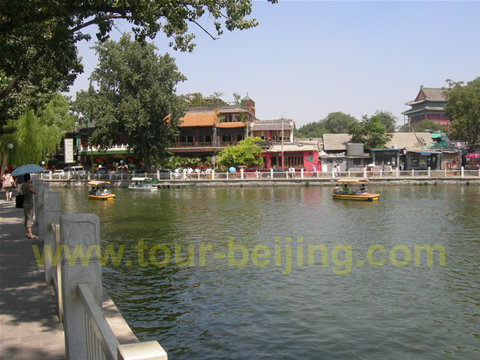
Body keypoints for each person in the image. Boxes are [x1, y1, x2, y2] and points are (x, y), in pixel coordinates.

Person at [21, 173, 38, 239]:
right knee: (29, 218)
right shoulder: (28, 186)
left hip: (25, 203)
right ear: (29, 179)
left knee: (26, 218)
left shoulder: (23, 186)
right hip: (29, 204)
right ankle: (30, 234)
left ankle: (27, 233)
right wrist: (31, 185)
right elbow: (34, 192)